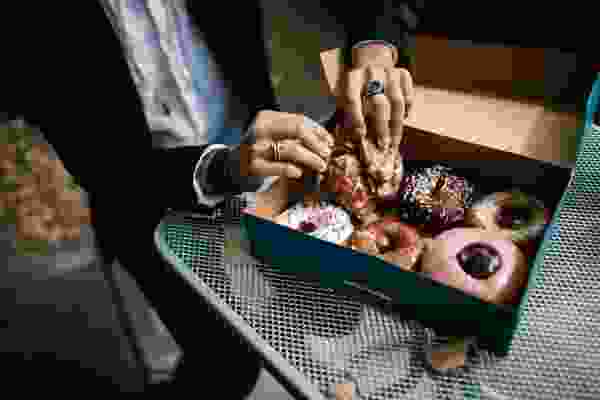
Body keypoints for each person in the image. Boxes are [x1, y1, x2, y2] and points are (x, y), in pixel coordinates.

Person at [0, 1, 417, 395]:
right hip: (146, 205)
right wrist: (222, 168)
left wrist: (374, 50)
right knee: (225, 363)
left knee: (308, 321)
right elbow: (101, 165)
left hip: (262, 168)